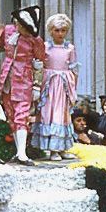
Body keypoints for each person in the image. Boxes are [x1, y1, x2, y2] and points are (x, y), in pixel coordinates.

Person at [0, 6, 47, 165]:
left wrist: (36, 85)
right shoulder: (8, 31)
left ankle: (22, 153)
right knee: (11, 114)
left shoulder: (36, 40)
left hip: (24, 78)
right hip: (7, 77)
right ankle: (18, 150)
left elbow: (41, 62)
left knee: (22, 114)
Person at [32, 13, 80, 160]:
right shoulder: (46, 47)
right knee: (50, 114)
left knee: (63, 115)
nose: (60, 34)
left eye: (63, 30)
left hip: (64, 85)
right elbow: (39, 66)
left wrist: (73, 88)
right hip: (49, 85)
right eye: (57, 30)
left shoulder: (69, 48)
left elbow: (74, 69)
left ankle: (63, 148)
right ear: (50, 31)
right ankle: (53, 149)